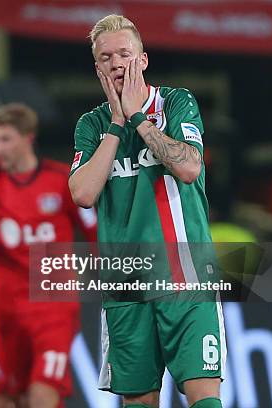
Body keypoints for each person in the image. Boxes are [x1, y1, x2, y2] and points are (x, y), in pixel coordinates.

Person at [69, 15, 225, 408]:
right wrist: (118, 124)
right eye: (107, 57)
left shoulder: (176, 102)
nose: (117, 63)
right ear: (97, 69)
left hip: (185, 272)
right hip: (125, 280)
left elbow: (189, 167)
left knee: (203, 392)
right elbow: (84, 194)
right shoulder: (91, 124)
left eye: (125, 54)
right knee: (138, 400)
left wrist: (138, 118)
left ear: (143, 60)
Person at [0, 103, 97, 408]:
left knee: (43, 393)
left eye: (6, 139)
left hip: (54, 305)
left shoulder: (62, 180)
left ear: (28, 138)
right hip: (6, 306)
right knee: (10, 397)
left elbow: (94, 232)